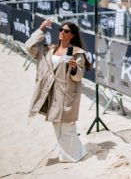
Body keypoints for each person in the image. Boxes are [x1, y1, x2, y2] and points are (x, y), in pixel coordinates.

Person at [26, 20, 90, 162]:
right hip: (50, 91)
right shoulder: (48, 49)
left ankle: (74, 155)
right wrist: (40, 29)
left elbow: (79, 76)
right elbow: (29, 47)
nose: (62, 32)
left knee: (67, 124)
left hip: (66, 92)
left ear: (72, 35)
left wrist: (73, 67)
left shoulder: (77, 53)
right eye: (61, 29)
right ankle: (75, 154)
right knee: (58, 123)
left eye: (66, 31)